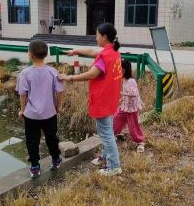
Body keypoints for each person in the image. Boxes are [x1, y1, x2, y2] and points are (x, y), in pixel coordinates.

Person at [58, 23, 122, 176]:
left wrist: (69, 77)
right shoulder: (113, 51)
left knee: (106, 133)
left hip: (103, 99)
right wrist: (74, 51)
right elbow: (92, 51)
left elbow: (92, 74)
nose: (95, 37)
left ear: (104, 37)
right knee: (107, 131)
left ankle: (114, 166)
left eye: (97, 35)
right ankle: (105, 158)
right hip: (111, 98)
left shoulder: (105, 56)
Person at [16, 40, 64, 178]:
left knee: (32, 140)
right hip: (50, 113)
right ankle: (56, 159)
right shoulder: (52, 72)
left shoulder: (25, 73)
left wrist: (22, 110)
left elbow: (23, 94)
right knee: (51, 137)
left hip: (31, 115)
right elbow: (59, 91)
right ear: (46, 54)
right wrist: (58, 106)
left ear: (30, 55)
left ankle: (35, 166)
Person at [113, 59, 145, 153]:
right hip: (125, 107)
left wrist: (121, 93)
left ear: (123, 70)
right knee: (116, 118)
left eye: (119, 69)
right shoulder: (125, 80)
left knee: (133, 127)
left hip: (131, 109)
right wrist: (122, 99)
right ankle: (112, 134)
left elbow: (134, 93)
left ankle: (140, 142)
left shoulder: (131, 81)